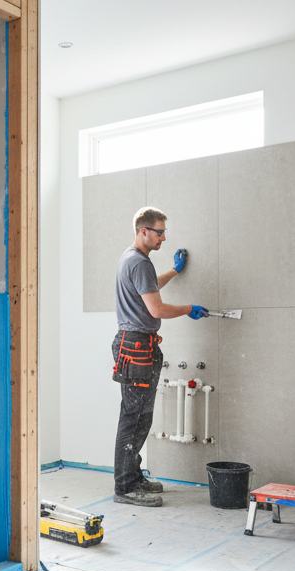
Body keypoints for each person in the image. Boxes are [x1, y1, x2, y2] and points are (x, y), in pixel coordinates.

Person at [112, 207, 208, 507]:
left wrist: (175, 271)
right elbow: (156, 309)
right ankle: (125, 486)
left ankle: (132, 475)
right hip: (137, 348)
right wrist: (187, 309)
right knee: (133, 418)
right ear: (143, 231)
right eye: (159, 231)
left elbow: (150, 288)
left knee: (141, 417)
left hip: (139, 345)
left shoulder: (133, 259)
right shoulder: (138, 262)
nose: (164, 237)